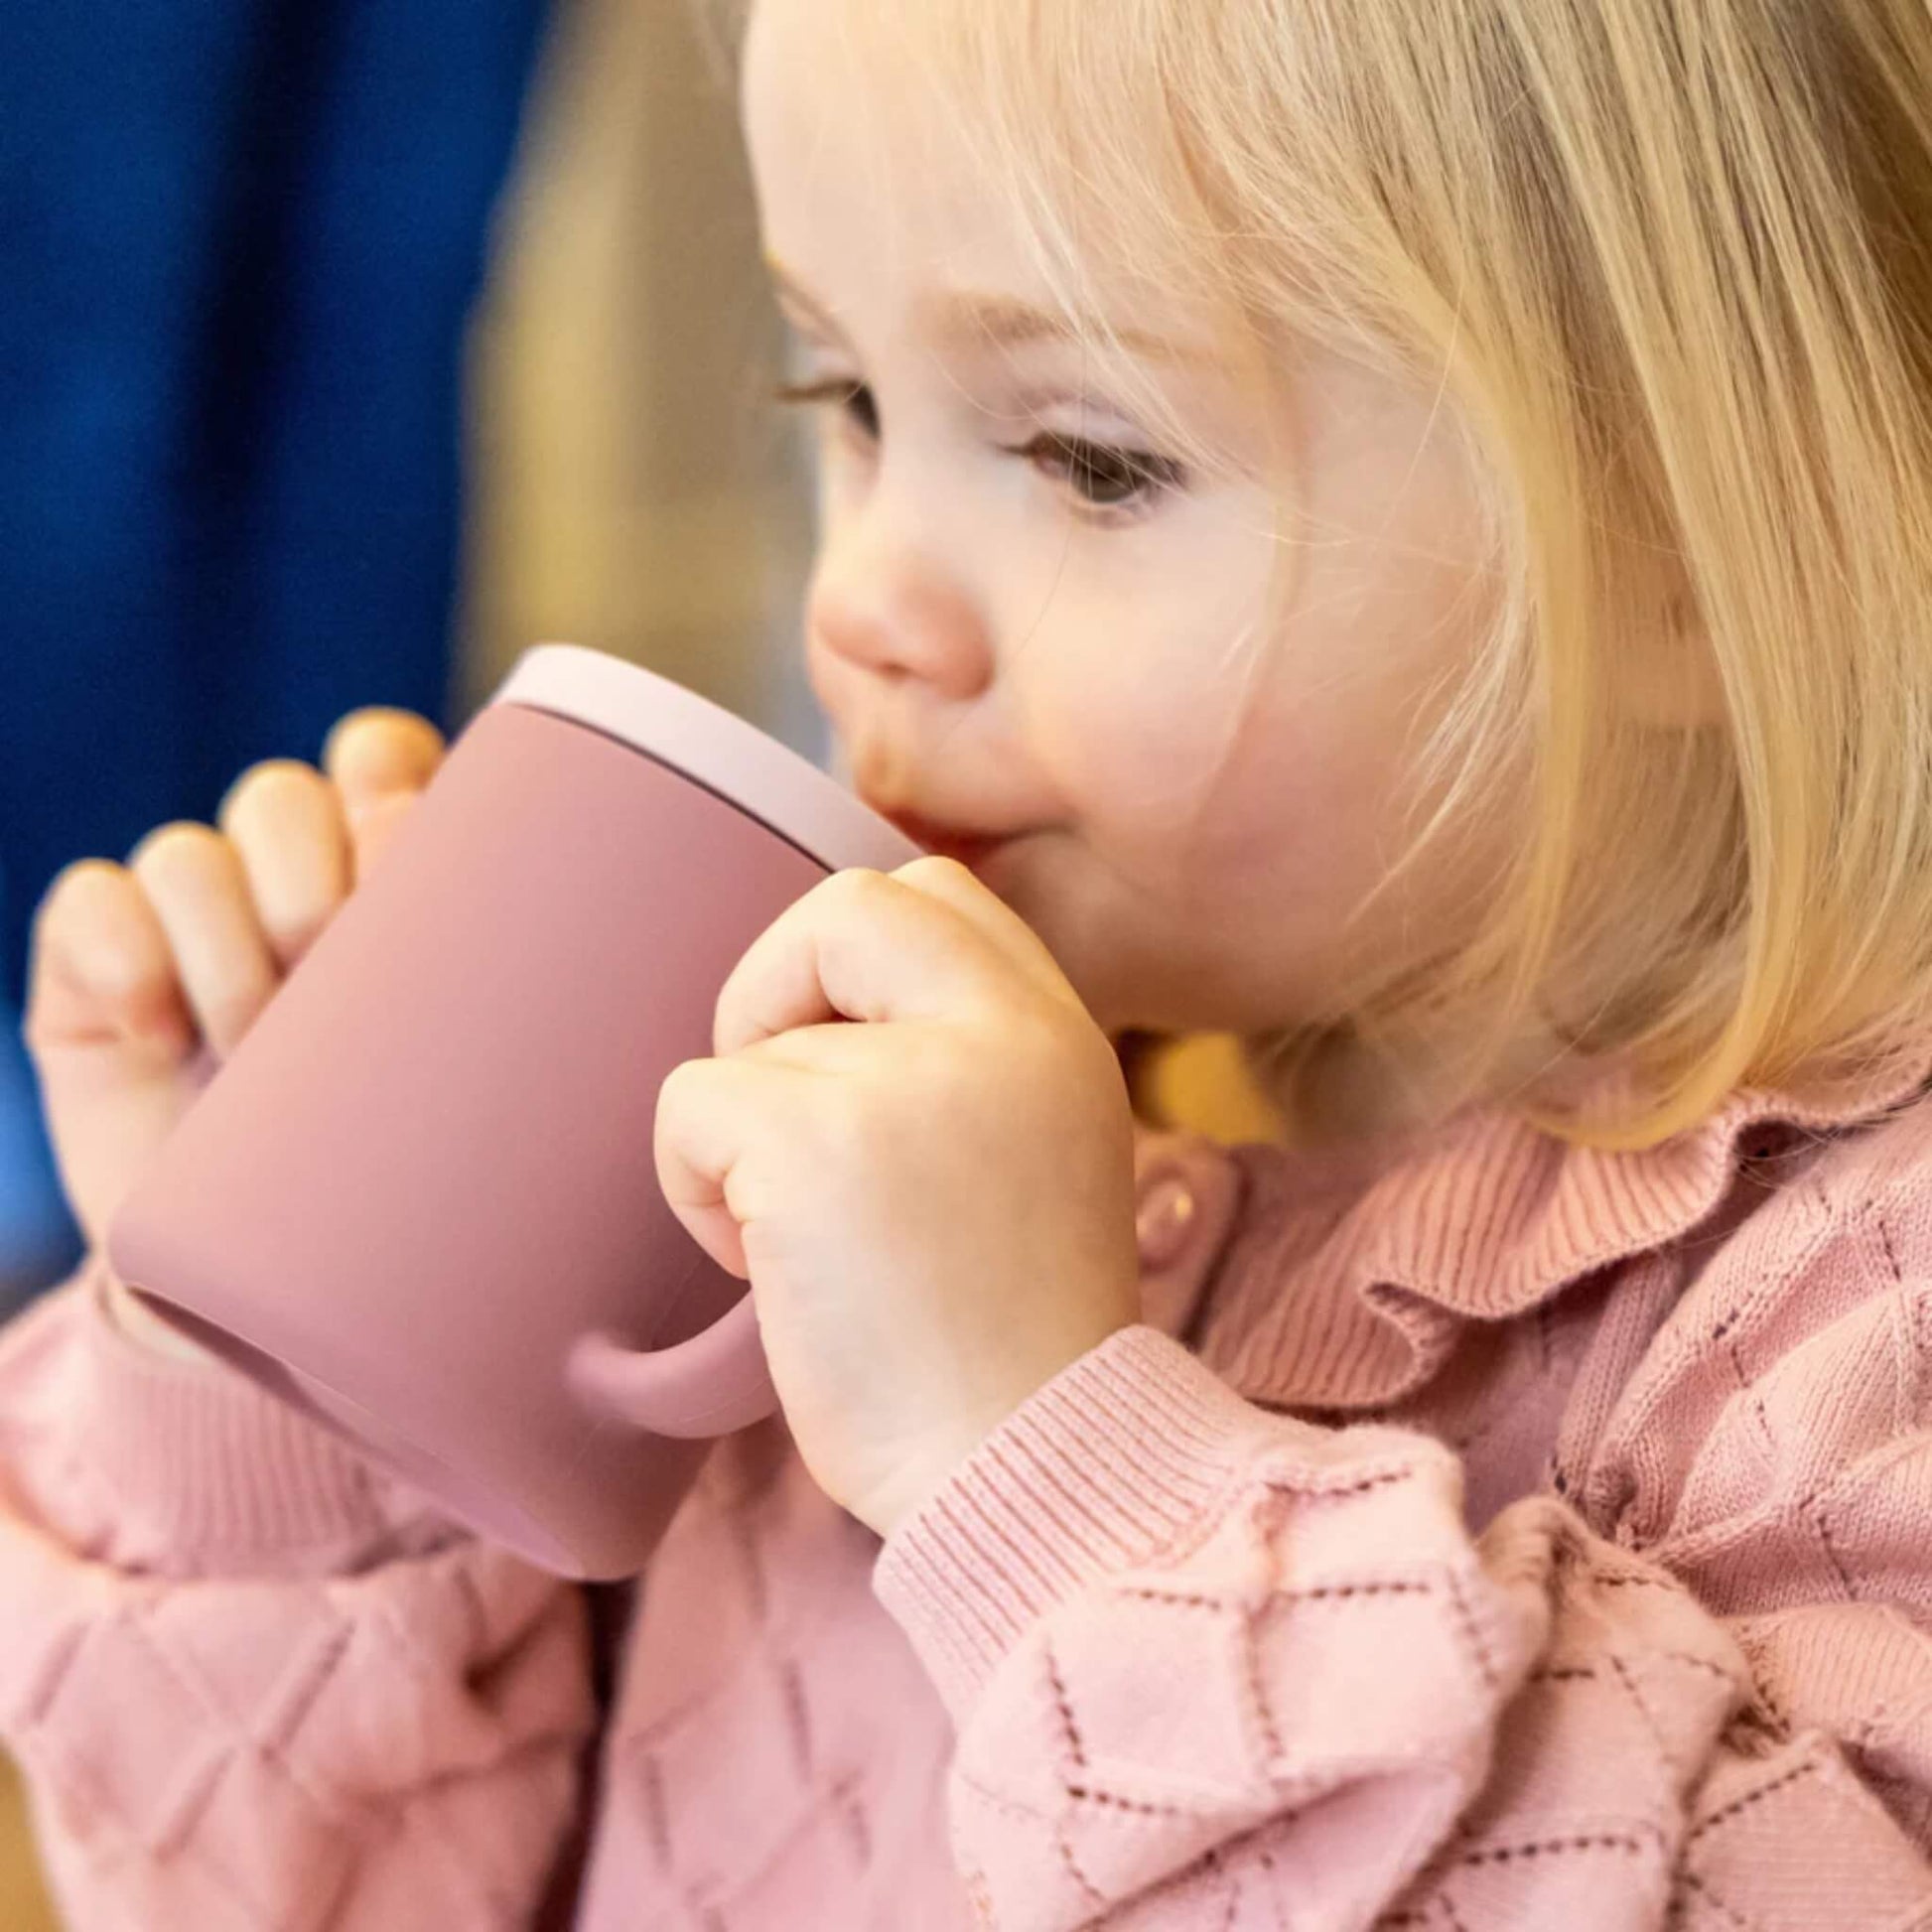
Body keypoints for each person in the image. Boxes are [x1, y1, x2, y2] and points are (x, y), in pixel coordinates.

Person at [5, 0, 1932, 1923]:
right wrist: (271, 1371)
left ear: (1683, 543)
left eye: (1089, 460)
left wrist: (1039, 1454)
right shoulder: (793, 1134)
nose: (857, 607)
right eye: (842, 401)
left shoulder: (1853, 1318)